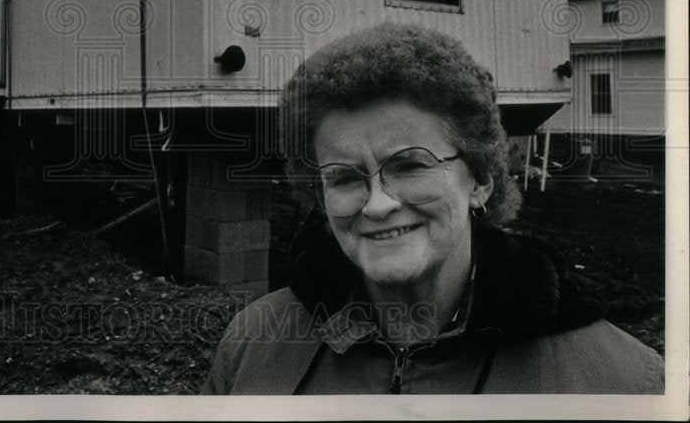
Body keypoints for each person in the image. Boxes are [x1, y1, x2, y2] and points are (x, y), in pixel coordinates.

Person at [202, 23, 663, 394]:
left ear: (481, 179)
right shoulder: (253, 346)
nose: (378, 204)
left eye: (409, 166)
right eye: (343, 177)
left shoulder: (619, 382)